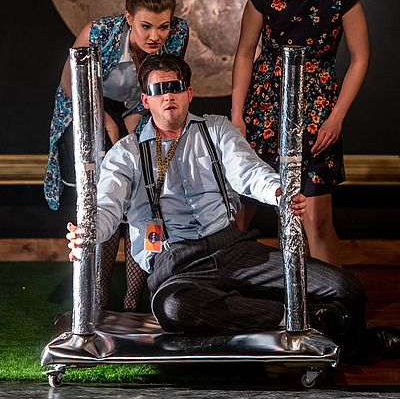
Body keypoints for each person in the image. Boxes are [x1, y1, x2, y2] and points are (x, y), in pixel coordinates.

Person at [67, 54, 400, 364]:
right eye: (158, 90)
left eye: (176, 87)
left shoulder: (216, 129)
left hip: (231, 247)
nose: (168, 96)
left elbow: (249, 172)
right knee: (174, 307)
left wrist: (278, 191)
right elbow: (107, 205)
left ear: (189, 93)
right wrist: (89, 232)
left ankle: (357, 349)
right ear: (145, 100)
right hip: (175, 263)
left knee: (345, 286)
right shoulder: (126, 153)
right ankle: (304, 318)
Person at [231, 0, 369, 267]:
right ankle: (235, 291)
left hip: (317, 114)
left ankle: (332, 297)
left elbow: (360, 59)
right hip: (264, 108)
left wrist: (336, 118)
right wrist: (237, 116)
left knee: (316, 221)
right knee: (242, 211)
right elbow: (244, 54)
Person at [45, 0, 189, 312]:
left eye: (163, 27)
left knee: (146, 191)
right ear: (128, 19)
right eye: (146, 26)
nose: (156, 36)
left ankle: (133, 298)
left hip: (138, 107)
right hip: (88, 104)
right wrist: (105, 121)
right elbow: (70, 83)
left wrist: (136, 123)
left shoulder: (179, 33)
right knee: (104, 191)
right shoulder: (98, 32)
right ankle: (96, 290)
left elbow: (159, 85)